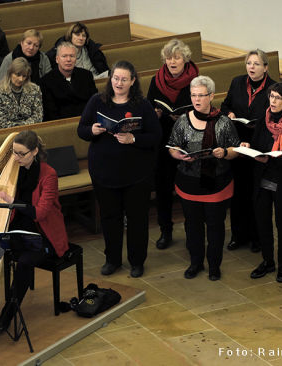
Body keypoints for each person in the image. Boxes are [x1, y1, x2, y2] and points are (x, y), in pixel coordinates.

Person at [77, 60, 161, 278]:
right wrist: (93, 130)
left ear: (133, 81)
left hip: (136, 173)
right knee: (110, 218)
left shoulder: (142, 105)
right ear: (110, 79)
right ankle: (112, 260)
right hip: (104, 171)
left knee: (137, 219)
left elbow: (156, 136)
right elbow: (82, 129)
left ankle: (137, 262)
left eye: (124, 79)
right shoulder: (97, 101)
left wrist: (133, 138)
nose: (119, 83)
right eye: (116, 78)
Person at [0, 130, 69, 330]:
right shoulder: (14, 168)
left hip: (43, 233)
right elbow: (3, 190)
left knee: (25, 263)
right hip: (17, 229)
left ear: (35, 151)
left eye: (22, 154)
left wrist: (13, 201)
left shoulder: (49, 175)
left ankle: (6, 318)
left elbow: (41, 212)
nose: (16, 157)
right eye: (14, 152)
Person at [167, 75, 241, 281]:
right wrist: (178, 154)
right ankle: (196, 263)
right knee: (192, 226)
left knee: (216, 228)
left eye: (201, 95)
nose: (196, 100)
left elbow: (235, 148)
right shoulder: (183, 121)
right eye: (193, 95)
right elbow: (172, 146)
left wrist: (224, 153)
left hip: (216, 184)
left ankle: (214, 266)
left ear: (211, 96)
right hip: (189, 182)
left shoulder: (224, 122)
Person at [247, 83, 282, 283]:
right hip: (263, 178)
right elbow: (256, 144)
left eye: (278, 98)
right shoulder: (264, 119)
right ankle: (267, 261)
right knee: (262, 222)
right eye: (271, 96)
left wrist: (270, 158)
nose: (273, 101)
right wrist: (250, 148)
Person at [220, 49, 277, 253]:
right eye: (249, 63)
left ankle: (257, 237)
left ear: (265, 67)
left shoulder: (272, 88)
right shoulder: (237, 82)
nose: (251, 67)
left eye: (256, 64)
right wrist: (230, 113)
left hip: (258, 146)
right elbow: (225, 105)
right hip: (238, 145)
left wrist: (259, 125)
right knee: (238, 194)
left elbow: (276, 116)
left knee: (257, 195)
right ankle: (238, 235)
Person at [146, 39, 199, 250]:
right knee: (163, 189)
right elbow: (149, 109)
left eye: (176, 57)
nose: (172, 61)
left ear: (185, 59)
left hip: (189, 140)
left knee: (188, 188)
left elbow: (204, 109)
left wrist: (185, 117)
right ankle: (165, 230)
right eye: (168, 57)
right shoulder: (155, 80)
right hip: (164, 141)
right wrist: (156, 114)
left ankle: (191, 231)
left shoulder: (197, 81)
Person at [39, 42, 97, 121]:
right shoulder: (46, 81)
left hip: (88, 122)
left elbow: (94, 102)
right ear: (57, 59)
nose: (68, 59)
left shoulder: (86, 75)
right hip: (62, 125)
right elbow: (50, 112)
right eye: (64, 56)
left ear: (76, 59)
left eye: (72, 56)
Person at [0, 57, 43, 129]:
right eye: (18, 75)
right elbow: (1, 122)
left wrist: (23, 128)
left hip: (29, 132)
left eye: (24, 76)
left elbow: (38, 116)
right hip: (5, 134)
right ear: (10, 73)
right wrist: (22, 127)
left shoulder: (34, 90)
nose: (21, 79)